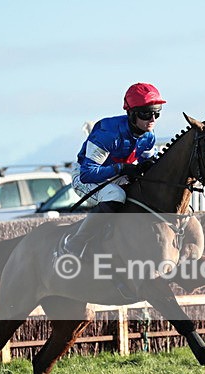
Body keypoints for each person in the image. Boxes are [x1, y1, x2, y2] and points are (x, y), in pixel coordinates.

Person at [63, 82, 165, 255]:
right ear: (131, 114)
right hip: (86, 176)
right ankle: (78, 241)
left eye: (157, 113)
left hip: (116, 175)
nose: (152, 120)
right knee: (116, 195)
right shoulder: (108, 134)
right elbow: (88, 174)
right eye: (146, 114)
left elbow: (147, 165)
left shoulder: (149, 136)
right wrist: (121, 168)